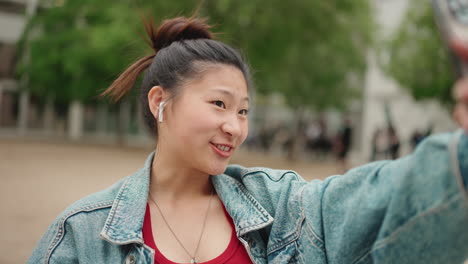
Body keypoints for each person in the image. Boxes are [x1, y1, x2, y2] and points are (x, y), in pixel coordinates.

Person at [29, 17, 468, 264]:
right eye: (219, 104)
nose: (235, 127)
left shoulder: (283, 208)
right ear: (160, 102)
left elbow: (383, 199)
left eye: (243, 111)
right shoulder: (82, 235)